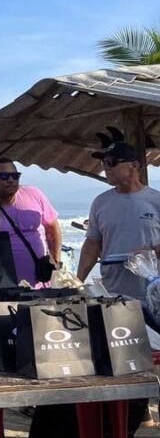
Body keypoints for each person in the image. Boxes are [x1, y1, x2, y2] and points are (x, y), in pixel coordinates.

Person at [77, 141, 160, 331]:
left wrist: (152, 251)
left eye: (112, 162)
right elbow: (92, 244)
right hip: (113, 294)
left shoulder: (156, 200)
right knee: (120, 352)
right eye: (103, 163)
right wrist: (77, 281)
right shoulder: (100, 203)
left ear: (134, 165)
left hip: (154, 296)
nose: (106, 168)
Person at [0, 158, 61, 286]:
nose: (10, 180)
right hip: (6, 285)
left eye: (15, 175)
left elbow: (52, 227)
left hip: (40, 282)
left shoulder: (34, 194)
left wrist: (55, 261)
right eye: (4, 176)